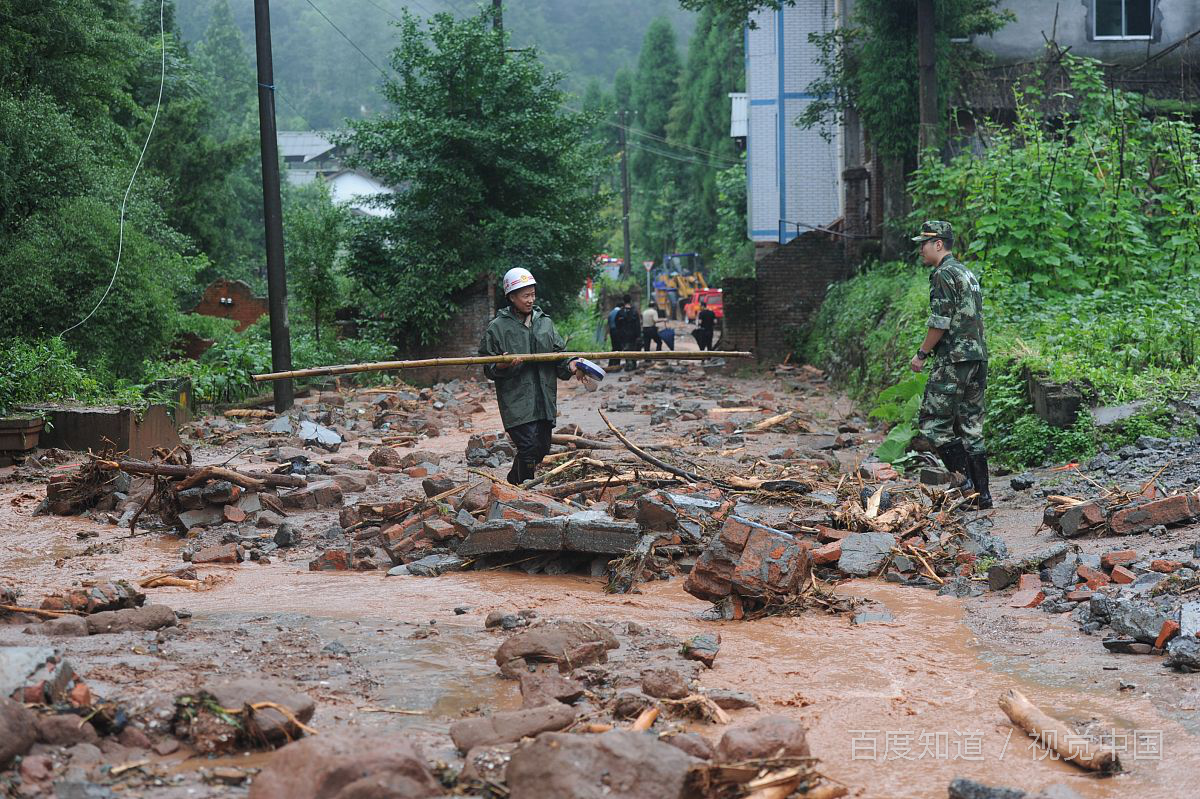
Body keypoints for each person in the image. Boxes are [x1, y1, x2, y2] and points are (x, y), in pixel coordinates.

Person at [909, 220, 991, 509]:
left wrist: (921, 354)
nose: (921, 249)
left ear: (939, 244)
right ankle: (983, 496)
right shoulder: (967, 273)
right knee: (971, 426)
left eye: (924, 243)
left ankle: (966, 485)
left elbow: (940, 322)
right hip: (977, 358)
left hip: (954, 359)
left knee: (933, 424)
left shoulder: (943, 274)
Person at [479, 268, 584, 485]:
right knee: (527, 448)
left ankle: (512, 482)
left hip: (544, 398)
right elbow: (487, 366)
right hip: (516, 400)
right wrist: (501, 364)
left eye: (533, 294)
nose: (530, 300)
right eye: (525, 296)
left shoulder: (544, 322)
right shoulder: (497, 328)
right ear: (512, 297)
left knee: (542, 448)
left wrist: (571, 365)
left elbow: (559, 356)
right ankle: (525, 488)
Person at [614, 295, 642, 371]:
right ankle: (633, 364)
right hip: (633, 335)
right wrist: (639, 335)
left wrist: (619, 334)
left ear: (623, 301)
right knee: (633, 350)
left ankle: (628, 364)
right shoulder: (634, 312)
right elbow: (638, 325)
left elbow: (617, 325)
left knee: (626, 350)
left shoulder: (620, 312)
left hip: (623, 336)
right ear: (630, 301)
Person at [607, 300, 623, 368]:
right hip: (618, 331)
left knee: (614, 347)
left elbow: (608, 324)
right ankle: (617, 363)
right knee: (619, 347)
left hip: (612, 331)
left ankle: (611, 363)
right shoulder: (619, 312)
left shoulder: (611, 312)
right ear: (621, 306)